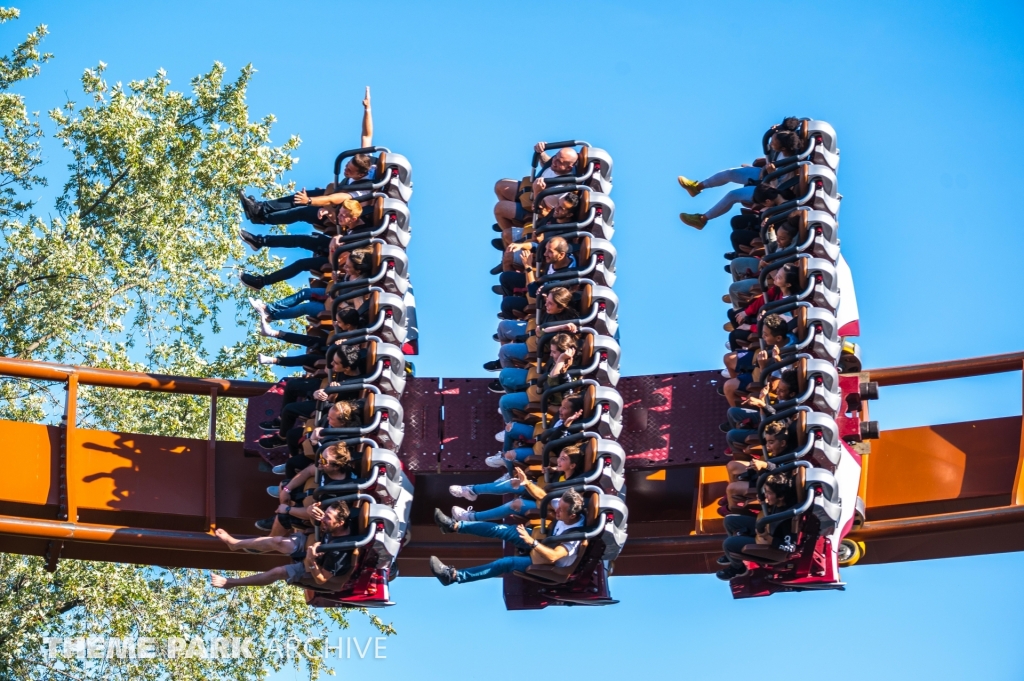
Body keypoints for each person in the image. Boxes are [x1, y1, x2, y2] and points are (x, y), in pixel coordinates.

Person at [428, 488, 586, 585]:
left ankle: (453, 576)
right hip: (545, 540)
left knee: (506, 563)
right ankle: (453, 526)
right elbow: (544, 498)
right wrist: (527, 483)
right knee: (504, 530)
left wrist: (532, 542)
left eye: (561, 511)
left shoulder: (573, 535)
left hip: (548, 562)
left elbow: (553, 556)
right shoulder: (567, 508)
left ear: (572, 516)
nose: (557, 511)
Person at [210, 500, 354, 590]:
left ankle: (230, 582)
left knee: (278, 572)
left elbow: (321, 579)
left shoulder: (339, 553)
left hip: (314, 564)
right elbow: (319, 517)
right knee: (277, 541)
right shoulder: (334, 524)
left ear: (340, 523)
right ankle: (235, 544)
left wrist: (311, 561)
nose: (323, 518)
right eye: (325, 514)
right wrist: (311, 510)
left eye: (327, 518)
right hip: (314, 542)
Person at [448, 443, 584, 522]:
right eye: (559, 458)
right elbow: (556, 474)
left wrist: (529, 484)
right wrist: (553, 469)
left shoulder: (573, 486)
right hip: (544, 491)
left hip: (548, 504)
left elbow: (552, 502)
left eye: (563, 459)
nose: (558, 461)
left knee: (515, 504)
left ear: (572, 466)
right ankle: (472, 491)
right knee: (514, 483)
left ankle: (471, 517)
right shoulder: (562, 473)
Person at [717, 473, 800, 580]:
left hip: (771, 545)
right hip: (766, 528)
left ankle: (737, 567)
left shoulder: (787, 519)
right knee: (730, 520)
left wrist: (770, 539)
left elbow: (790, 548)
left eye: (768, 493)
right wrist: (765, 503)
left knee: (728, 544)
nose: (765, 494)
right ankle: (732, 556)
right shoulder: (781, 500)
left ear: (780, 496)